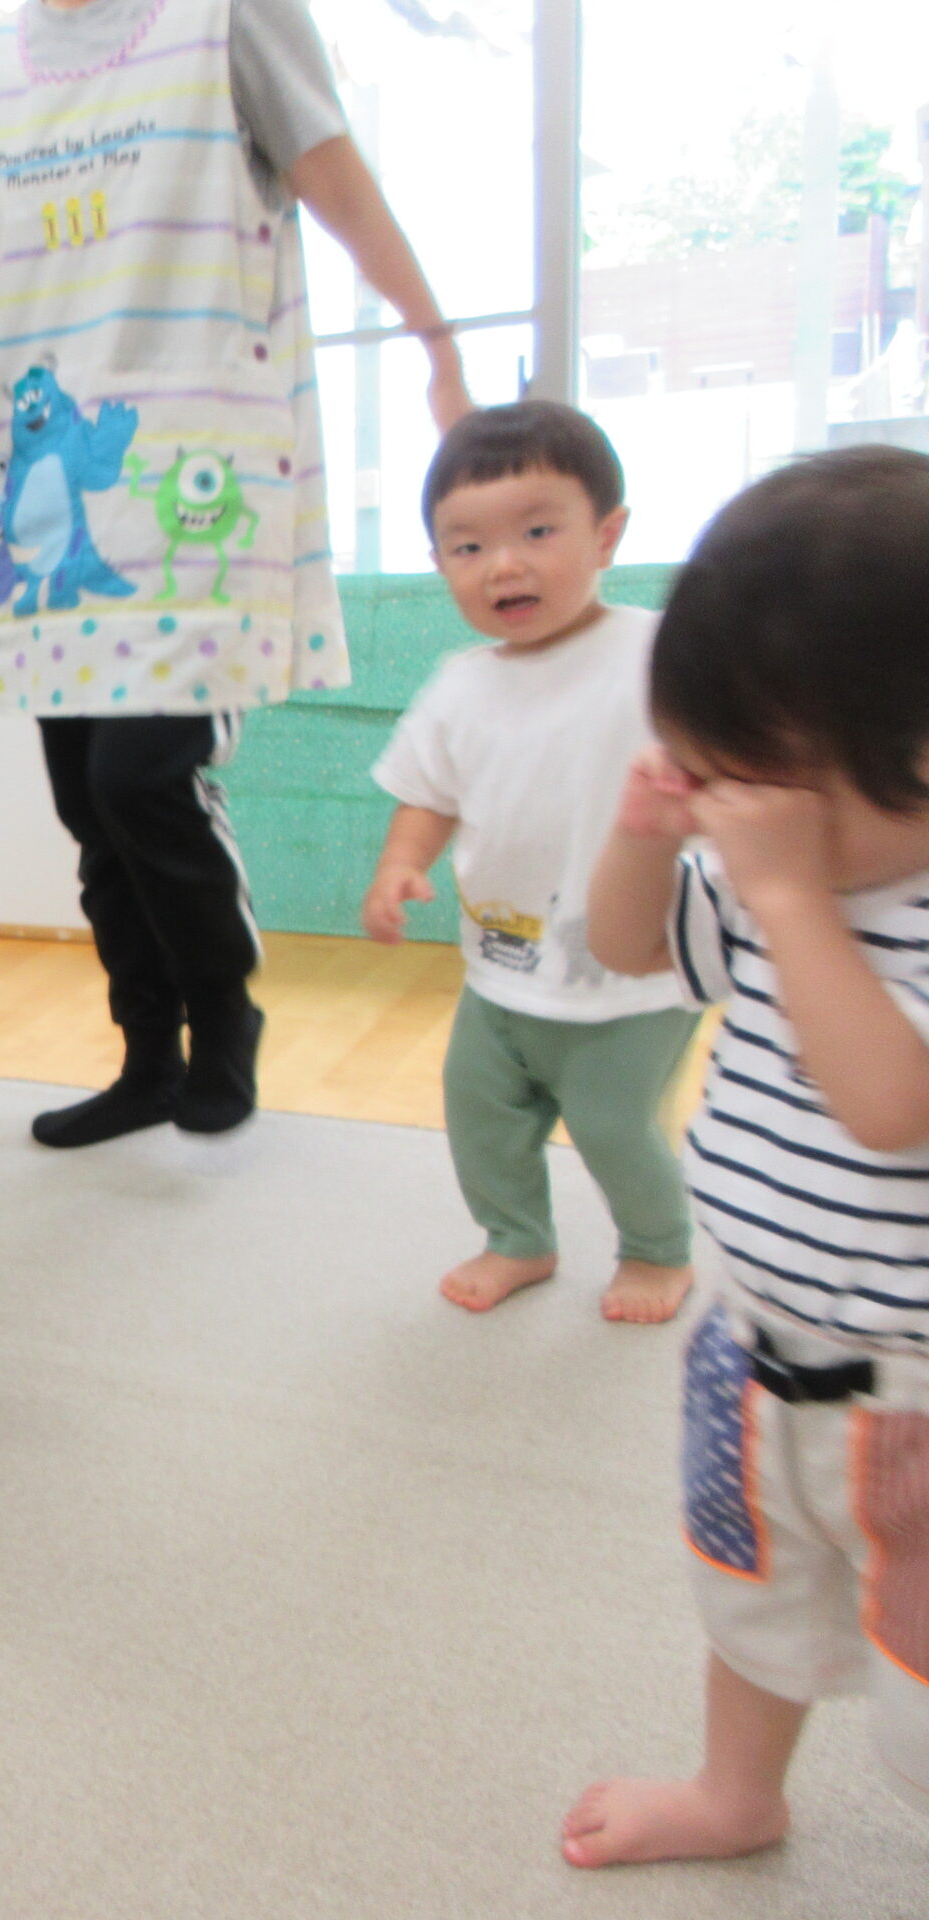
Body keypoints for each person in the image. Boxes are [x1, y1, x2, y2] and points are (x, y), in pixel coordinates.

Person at [0, 0, 475, 1148]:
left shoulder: (227, 15)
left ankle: (221, 1017)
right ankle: (146, 1055)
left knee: (144, 775)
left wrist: (432, 335)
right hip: (40, 465)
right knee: (86, 802)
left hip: (191, 469)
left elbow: (332, 175)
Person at [567, 446, 929, 1867]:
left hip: (915, 1391)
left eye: (766, 782)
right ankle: (737, 1794)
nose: (737, 814)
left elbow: (890, 1105)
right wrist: (646, 837)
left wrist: (785, 896)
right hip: (754, 1337)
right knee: (752, 1592)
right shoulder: (777, 873)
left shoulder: (812, 893)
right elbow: (625, 947)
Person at [363, 403, 698, 1324]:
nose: (503, 565)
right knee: (479, 1113)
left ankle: (658, 1249)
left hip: (634, 976)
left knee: (612, 1125)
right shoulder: (460, 685)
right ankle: (517, 1237)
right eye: (468, 547)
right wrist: (397, 867)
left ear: (607, 536)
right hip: (500, 968)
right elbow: (427, 793)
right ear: (439, 564)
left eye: (538, 533)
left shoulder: (659, 654)